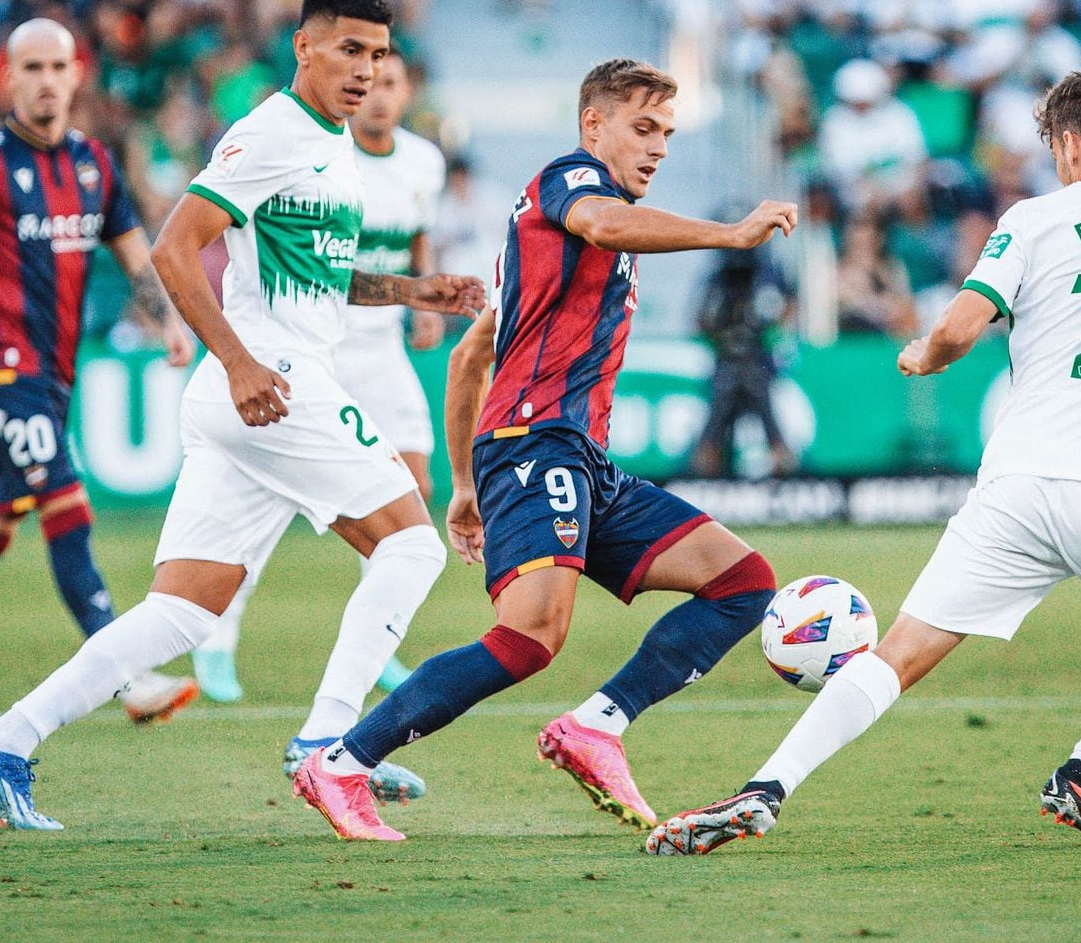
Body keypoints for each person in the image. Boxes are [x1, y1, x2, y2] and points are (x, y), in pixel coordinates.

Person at [645, 68, 1081, 855]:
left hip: (1015, 488)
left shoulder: (1035, 219)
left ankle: (765, 787)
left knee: (901, 653)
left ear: (1071, 145)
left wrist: (922, 358)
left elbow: (959, 326)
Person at [0, 0, 484, 830]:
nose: (365, 69)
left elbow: (317, 276)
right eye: (349, 49)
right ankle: (328, 748)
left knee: (182, 612)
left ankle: (4, 743)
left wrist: (416, 289)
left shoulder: (331, 144)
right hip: (272, 381)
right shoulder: (272, 130)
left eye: (378, 55)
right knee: (412, 547)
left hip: (261, 391)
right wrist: (235, 363)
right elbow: (174, 247)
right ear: (304, 46)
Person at [288, 58, 798, 842]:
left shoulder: (544, 247)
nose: (658, 146)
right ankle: (343, 762)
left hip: (576, 457)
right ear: (594, 127)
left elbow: (468, 358)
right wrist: (728, 233)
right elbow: (601, 220)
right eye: (642, 127)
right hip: (535, 443)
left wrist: (462, 484)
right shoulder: (569, 182)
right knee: (530, 637)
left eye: (666, 131)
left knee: (742, 582)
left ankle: (596, 726)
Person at [0, 19, 199, 735]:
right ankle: (128, 675)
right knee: (66, 503)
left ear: (77, 75)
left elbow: (132, 253)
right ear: (9, 79)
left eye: (60, 65)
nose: (48, 79)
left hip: (53, 377)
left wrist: (170, 322)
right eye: (33, 67)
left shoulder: (93, 165)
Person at [192, 47, 446, 739]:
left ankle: (375, 645)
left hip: (380, 349)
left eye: (393, 81)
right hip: (314, 352)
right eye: (372, 79)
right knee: (273, 504)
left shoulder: (425, 162)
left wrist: (423, 296)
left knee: (413, 496)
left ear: (407, 89)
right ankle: (220, 641)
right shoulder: (319, 152)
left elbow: (416, 240)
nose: (380, 93)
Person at [689, 245, 797, 478]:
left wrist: (764, 323)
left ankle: (788, 484)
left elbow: (786, 307)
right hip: (728, 360)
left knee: (772, 428)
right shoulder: (717, 280)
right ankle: (704, 486)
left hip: (756, 360)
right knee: (713, 431)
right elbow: (700, 319)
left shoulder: (766, 277)